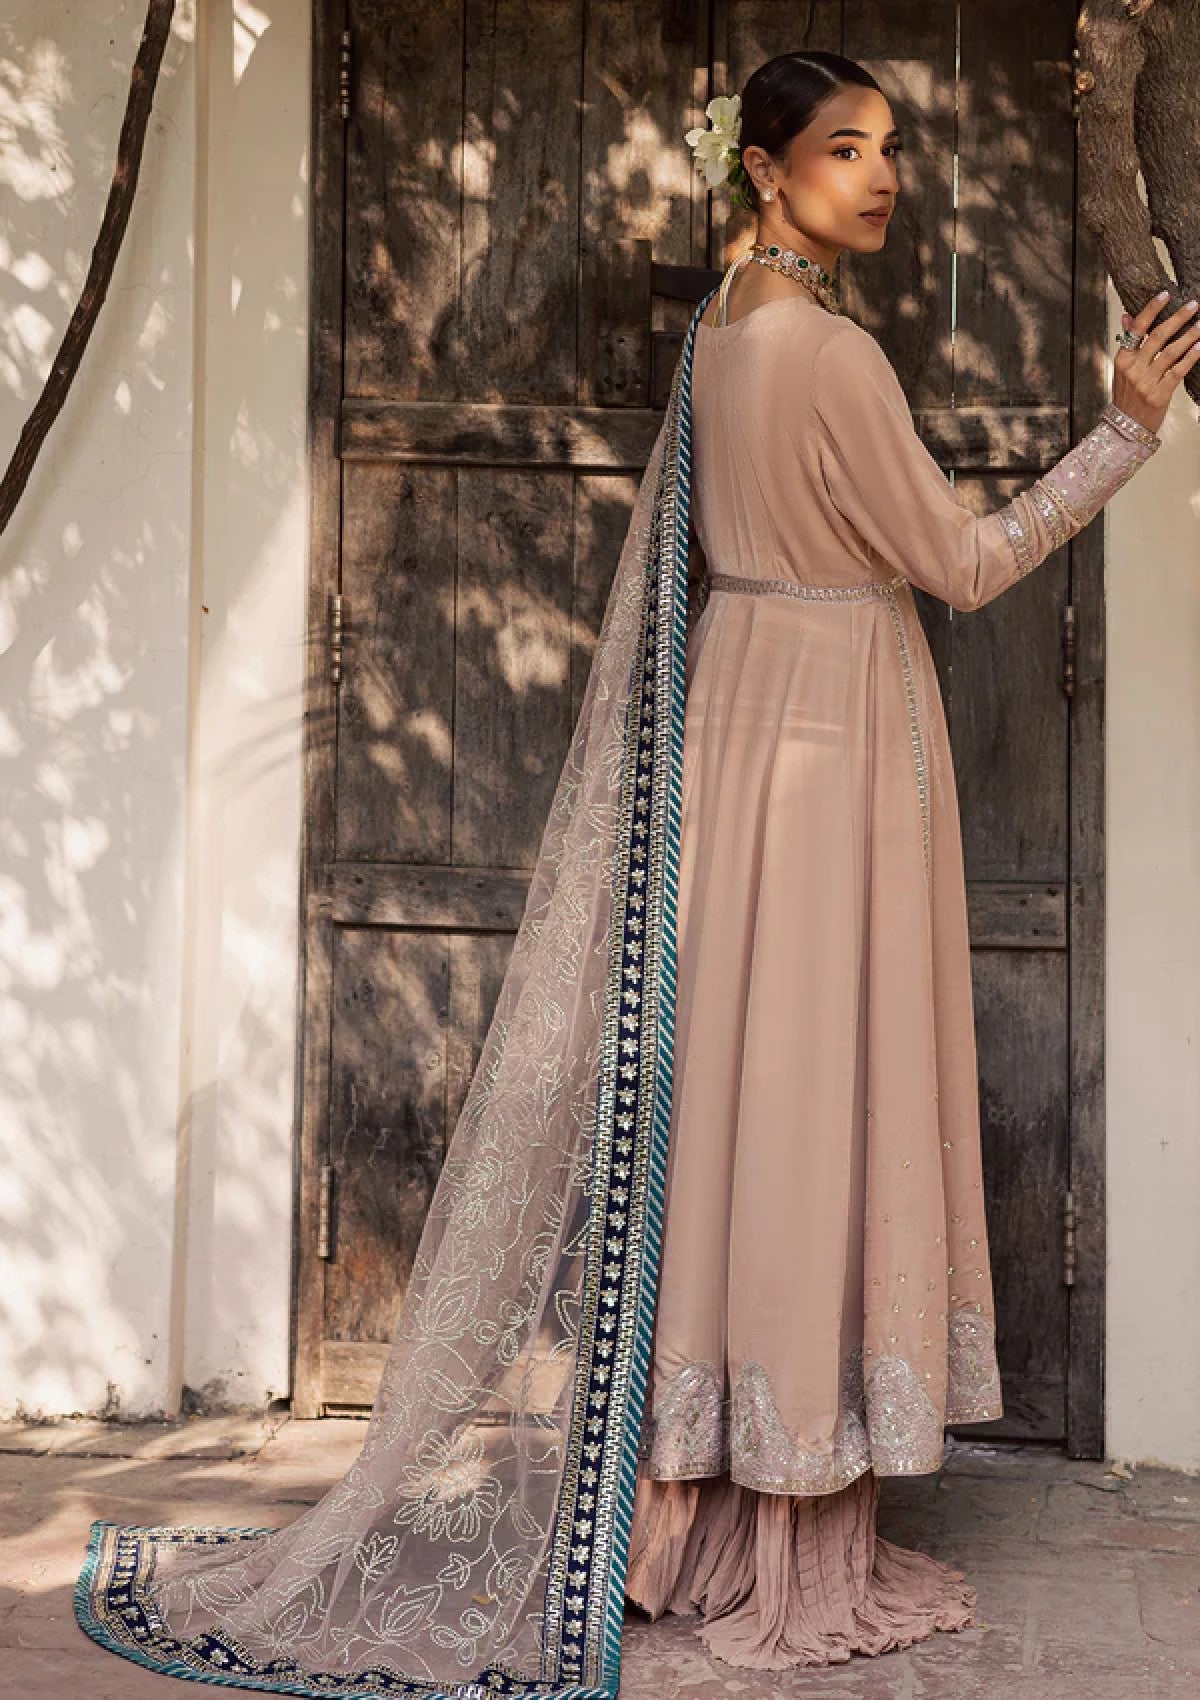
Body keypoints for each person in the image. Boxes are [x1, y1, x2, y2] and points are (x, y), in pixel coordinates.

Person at [74, 49, 1193, 1700]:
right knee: (813, 1095)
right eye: (846, 148)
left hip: (740, 724)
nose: (883, 175)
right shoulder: (831, 356)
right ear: (765, 169)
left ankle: (695, 1506)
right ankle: (788, 1521)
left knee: (747, 1094)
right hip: (829, 741)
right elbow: (964, 564)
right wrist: (1125, 433)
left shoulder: (721, 330)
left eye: (891, 146)